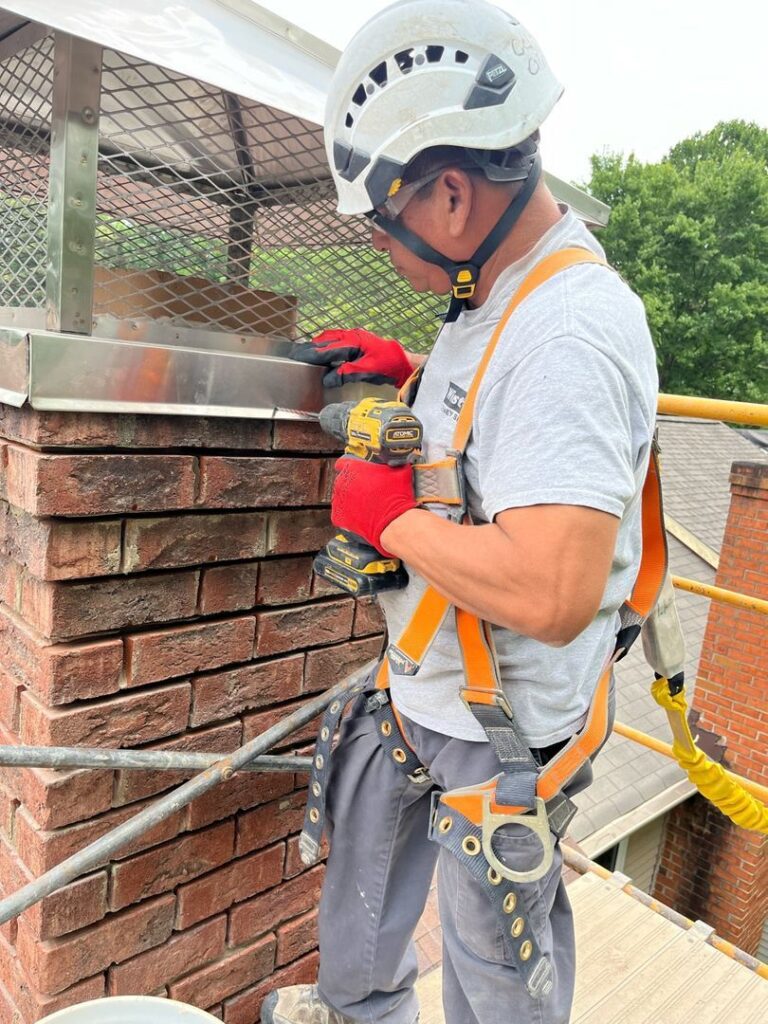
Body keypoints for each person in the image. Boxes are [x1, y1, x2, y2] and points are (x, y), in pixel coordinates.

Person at [262, 2, 658, 1023]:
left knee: (493, 971)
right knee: (362, 918)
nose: (389, 252)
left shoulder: (569, 330)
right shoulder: (495, 297)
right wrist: (408, 390)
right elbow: (492, 453)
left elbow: (555, 587)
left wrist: (391, 524)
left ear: (448, 194)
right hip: (424, 693)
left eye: (385, 229)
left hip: (497, 731)